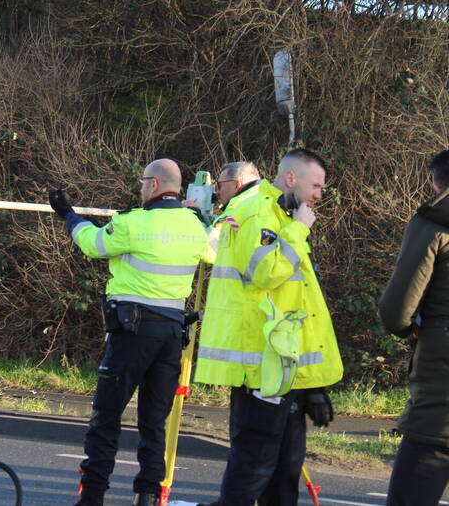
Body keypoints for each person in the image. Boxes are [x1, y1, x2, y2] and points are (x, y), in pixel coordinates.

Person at [49, 158, 208, 506]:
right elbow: (214, 248)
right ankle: (147, 496)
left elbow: (92, 243)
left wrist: (68, 215)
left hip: (133, 332)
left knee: (107, 414)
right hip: (171, 334)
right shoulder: (195, 226)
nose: (140, 187)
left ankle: (93, 496)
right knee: (154, 421)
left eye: (142, 181)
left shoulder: (133, 222)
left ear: (154, 184)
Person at [194, 148, 343, 506]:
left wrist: (312, 386)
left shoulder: (279, 212)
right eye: (315, 186)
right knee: (254, 467)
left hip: (279, 366)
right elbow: (265, 274)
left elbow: (295, 303)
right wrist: (298, 229)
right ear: (290, 178)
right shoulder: (260, 212)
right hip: (261, 366)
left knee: (283, 470)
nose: (319, 195)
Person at [379, 149, 449, 506]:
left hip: (440, 405)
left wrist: (412, 327)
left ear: (436, 185)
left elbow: (396, 311)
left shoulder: (433, 223)